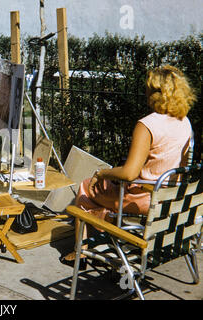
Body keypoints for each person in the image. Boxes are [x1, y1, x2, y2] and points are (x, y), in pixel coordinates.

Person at [60, 65, 195, 269]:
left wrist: (102, 172)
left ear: (154, 92)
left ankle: (81, 253)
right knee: (103, 193)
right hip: (169, 197)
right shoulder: (185, 122)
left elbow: (129, 173)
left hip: (142, 199)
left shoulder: (148, 124)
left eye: (148, 88)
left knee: (86, 188)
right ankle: (107, 230)